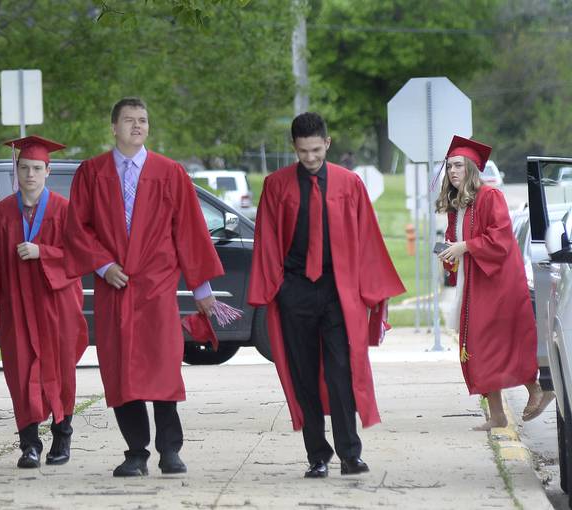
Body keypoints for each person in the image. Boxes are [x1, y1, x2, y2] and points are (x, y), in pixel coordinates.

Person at [64, 97, 224, 477]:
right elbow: (76, 228)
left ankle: (170, 451)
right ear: (114, 127)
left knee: (164, 369)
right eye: (129, 120)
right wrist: (103, 266)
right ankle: (136, 452)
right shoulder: (91, 172)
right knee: (121, 372)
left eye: (143, 120)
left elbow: (189, 231)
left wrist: (201, 289)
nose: (138, 126)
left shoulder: (169, 172)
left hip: (157, 286)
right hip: (115, 287)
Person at [248, 112, 405, 478]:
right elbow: (267, 240)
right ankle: (317, 455)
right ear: (294, 147)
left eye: (316, 150)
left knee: (340, 373)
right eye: (303, 151)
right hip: (296, 289)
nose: (310, 158)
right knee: (304, 375)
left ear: (328, 144)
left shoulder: (349, 184)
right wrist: (279, 288)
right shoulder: (276, 185)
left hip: (338, 290)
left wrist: (374, 290)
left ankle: (351, 454)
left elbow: (367, 237)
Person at [0, 135, 88, 468]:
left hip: (56, 305)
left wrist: (43, 252)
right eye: (24, 168)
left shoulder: (64, 209)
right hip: (16, 306)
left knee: (61, 370)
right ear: (17, 171)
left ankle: (62, 434)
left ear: (48, 170)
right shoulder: (1, 214)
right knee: (19, 373)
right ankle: (29, 444)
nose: (30, 174)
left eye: (36, 168)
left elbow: (80, 256)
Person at [435, 135, 553, 430]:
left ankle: (536, 389)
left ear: (473, 169)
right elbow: (457, 242)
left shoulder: (490, 197)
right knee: (478, 346)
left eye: (459, 166)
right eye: (450, 166)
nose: (453, 171)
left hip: (497, 282)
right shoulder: (458, 204)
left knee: (498, 342)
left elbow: (500, 238)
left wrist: (465, 247)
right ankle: (498, 415)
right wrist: (451, 253)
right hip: (473, 280)